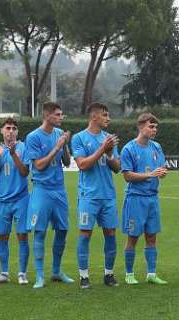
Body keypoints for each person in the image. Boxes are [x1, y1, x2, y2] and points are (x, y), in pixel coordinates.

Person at [71, 102, 121, 289]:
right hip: (89, 195)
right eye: (105, 115)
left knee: (110, 233)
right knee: (85, 233)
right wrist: (102, 149)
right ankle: (84, 276)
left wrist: (109, 154)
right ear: (94, 117)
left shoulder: (109, 138)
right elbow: (83, 164)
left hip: (108, 195)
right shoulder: (79, 138)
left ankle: (109, 274)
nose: (108, 118)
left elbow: (117, 168)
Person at [25, 102, 74, 289]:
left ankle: (56, 271)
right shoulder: (33, 137)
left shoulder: (58, 135)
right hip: (42, 189)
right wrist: (57, 146)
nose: (61, 117)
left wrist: (65, 145)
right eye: (58, 114)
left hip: (59, 190)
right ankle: (39, 276)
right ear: (47, 116)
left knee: (62, 230)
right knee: (40, 231)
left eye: (61, 114)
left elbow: (67, 162)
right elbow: (38, 165)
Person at [121, 113, 169, 285]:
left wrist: (162, 173)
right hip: (136, 199)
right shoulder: (129, 149)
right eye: (151, 126)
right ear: (140, 127)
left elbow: (161, 169)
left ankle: (151, 273)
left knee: (151, 237)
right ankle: (129, 274)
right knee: (133, 237)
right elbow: (127, 175)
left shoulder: (157, 147)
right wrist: (150, 174)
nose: (154, 130)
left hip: (152, 198)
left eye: (156, 127)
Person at [0, 118, 30, 285]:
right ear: (2, 131)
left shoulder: (23, 148)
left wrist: (12, 154)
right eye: (8, 128)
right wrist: (0, 156)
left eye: (14, 128)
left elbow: (25, 172)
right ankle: (4, 273)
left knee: (22, 236)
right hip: (1, 200)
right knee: (2, 237)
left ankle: (22, 273)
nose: (11, 131)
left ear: (17, 132)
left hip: (21, 199)